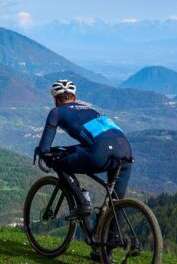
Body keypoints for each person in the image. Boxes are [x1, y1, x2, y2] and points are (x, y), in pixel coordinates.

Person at [35, 79, 133, 221]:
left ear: (55, 100)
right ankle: (113, 238)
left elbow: (44, 148)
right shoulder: (90, 109)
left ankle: (83, 203)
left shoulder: (56, 112)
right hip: (125, 148)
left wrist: (44, 153)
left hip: (101, 151)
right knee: (115, 203)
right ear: (74, 97)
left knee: (59, 164)